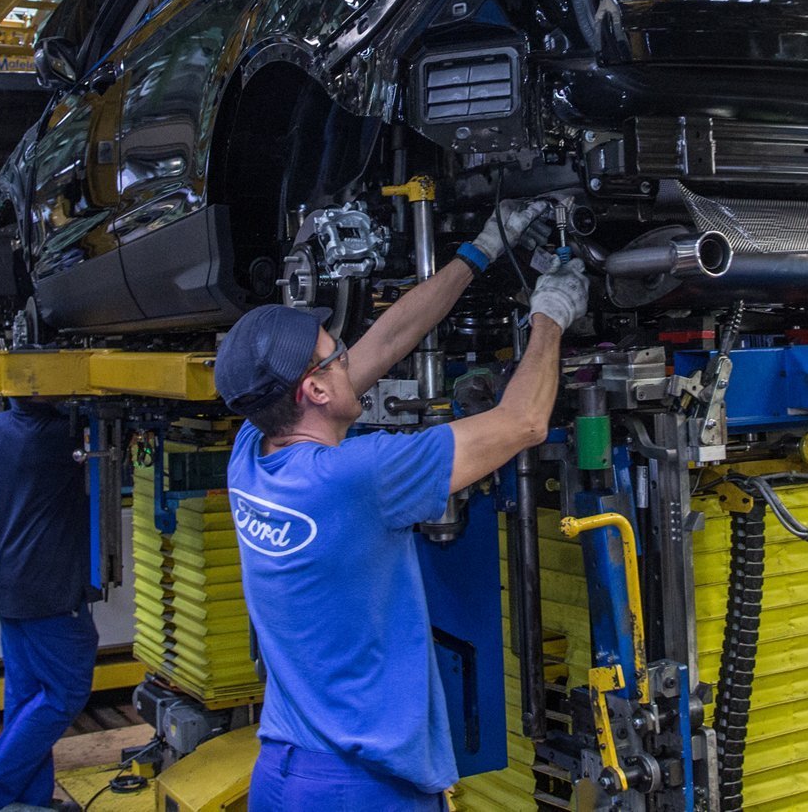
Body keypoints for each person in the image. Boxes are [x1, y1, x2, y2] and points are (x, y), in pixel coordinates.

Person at [220, 199, 584, 811]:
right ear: (313, 389)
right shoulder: (356, 477)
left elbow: (385, 341)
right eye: (335, 355)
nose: (348, 359)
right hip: (363, 790)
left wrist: (479, 251)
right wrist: (550, 315)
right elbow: (522, 422)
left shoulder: (251, 452)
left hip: (284, 775)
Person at [0, 397, 94, 812]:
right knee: (65, 692)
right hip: (49, 586)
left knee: (25, 695)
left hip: (9, 580)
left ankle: (30, 799)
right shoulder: (59, 436)